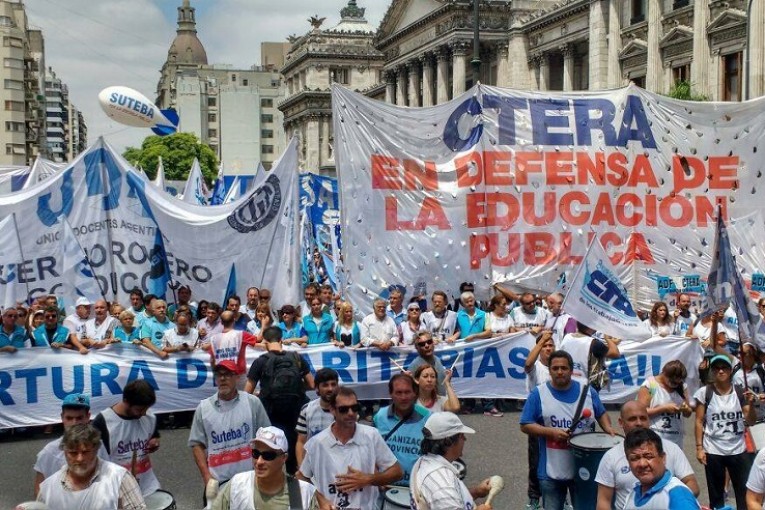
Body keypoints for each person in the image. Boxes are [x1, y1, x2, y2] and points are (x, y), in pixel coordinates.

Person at [520, 350, 615, 510]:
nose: (559, 372)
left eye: (564, 368)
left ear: (571, 370)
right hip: (551, 472)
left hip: (584, 467)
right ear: (549, 370)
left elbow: (601, 413)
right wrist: (550, 432)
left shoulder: (588, 392)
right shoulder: (538, 394)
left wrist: (609, 429)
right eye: (555, 368)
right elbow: (525, 424)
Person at [297, 387, 403, 509]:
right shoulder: (316, 443)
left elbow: (397, 472)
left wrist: (369, 479)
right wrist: (320, 499)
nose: (351, 413)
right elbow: (301, 477)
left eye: (355, 408)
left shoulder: (371, 435)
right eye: (343, 409)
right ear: (332, 410)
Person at [189, 360, 271, 506]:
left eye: (227, 374)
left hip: (250, 479)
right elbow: (197, 444)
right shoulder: (203, 408)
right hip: (218, 482)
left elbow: (267, 438)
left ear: (237, 377)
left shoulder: (252, 403)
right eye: (219, 375)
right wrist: (207, 477)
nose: (222, 378)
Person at [595, 401, 698, 510]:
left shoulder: (676, 493)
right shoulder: (611, 458)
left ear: (663, 457)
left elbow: (691, 484)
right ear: (621, 422)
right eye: (632, 419)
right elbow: (603, 501)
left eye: (649, 456)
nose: (639, 423)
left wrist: (673, 501)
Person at [245, 326, 314, 475]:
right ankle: (298, 482)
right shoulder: (296, 357)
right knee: (296, 448)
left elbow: (247, 392)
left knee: (270, 450)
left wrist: (261, 393)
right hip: (295, 411)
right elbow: (312, 384)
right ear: (281, 340)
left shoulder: (261, 361)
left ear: (264, 341)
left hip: (271, 413)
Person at [694, 353, 757, 509]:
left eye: (724, 368)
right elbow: (699, 420)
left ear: (730, 371)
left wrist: (751, 405)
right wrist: (699, 448)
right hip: (713, 449)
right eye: (716, 368)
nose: (720, 371)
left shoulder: (740, 391)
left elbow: (750, 421)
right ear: (712, 372)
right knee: (716, 494)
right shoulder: (705, 392)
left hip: (738, 448)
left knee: (743, 492)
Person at [36, 424, 146, 510]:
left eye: (85, 452)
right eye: (73, 453)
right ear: (64, 452)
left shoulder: (119, 478)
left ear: (96, 449)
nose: (80, 458)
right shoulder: (48, 488)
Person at [211, 426, 318, 510]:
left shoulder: (303, 493)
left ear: (283, 458)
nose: (259, 462)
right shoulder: (237, 485)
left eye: (268, 456)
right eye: (256, 454)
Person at [92, 380, 161, 498]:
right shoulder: (103, 422)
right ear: (126, 401)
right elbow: (96, 461)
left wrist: (155, 442)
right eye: (139, 409)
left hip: (147, 487)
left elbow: (154, 436)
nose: (144, 413)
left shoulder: (149, 417)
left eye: (146, 409)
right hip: (118, 491)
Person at [410, 412, 492, 510]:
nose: (465, 439)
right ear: (448, 441)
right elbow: (444, 494)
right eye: (462, 436)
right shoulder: (441, 482)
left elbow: (448, 500)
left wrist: (476, 492)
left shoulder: (423, 462)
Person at [33, 394, 109, 496]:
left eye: (79, 418)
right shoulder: (49, 452)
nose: (74, 423)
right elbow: (40, 489)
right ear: (62, 418)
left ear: (88, 417)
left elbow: (108, 476)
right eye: (69, 418)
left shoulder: (99, 446)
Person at [618, 428, 700, 509]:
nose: (642, 464)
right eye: (635, 458)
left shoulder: (677, 495)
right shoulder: (633, 495)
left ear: (663, 458)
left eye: (648, 456)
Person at [374, 373, 431, 486]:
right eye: (398, 393)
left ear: (415, 393)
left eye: (407, 392)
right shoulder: (380, 416)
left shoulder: (428, 417)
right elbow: (370, 450)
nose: (403, 397)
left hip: (417, 488)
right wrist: (376, 478)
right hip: (386, 487)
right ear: (391, 394)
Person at [523, 330, 555, 510]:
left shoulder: (559, 367)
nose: (548, 348)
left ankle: (560, 497)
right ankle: (534, 497)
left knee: (559, 459)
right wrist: (541, 339)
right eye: (545, 346)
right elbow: (528, 363)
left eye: (551, 345)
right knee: (536, 460)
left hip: (557, 418)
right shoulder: (535, 368)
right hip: (537, 420)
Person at [636, 360, 692, 448]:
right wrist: (663, 409)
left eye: (678, 383)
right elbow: (639, 413)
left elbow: (688, 413)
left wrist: (685, 409)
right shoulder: (651, 384)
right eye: (673, 382)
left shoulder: (682, 386)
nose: (676, 385)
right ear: (665, 374)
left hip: (676, 440)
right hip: (654, 439)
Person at [295, 368, 338, 466]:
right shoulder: (307, 409)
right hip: (313, 467)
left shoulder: (346, 410)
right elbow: (301, 442)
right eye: (325, 385)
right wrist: (301, 469)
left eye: (333, 384)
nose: (330, 389)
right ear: (317, 388)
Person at [206, 310, 261, 376]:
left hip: (222, 375)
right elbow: (259, 339)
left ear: (221, 322)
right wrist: (264, 324)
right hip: (238, 374)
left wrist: (216, 374)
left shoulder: (214, 339)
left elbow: (212, 360)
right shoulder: (241, 335)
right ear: (234, 320)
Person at [408, 331, 448, 395]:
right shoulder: (414, 365)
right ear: (416, 347)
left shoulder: (437, 359)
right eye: (422, 344)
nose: (427, 345)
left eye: (429, 342)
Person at [734, 342, 765, 422]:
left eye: (743, 353)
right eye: (738, 353)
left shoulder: (762, 371)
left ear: (752, 354)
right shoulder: (734, 369)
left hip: (760, 419)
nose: (739, 356)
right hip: (740, 421)